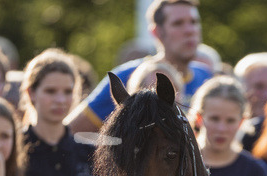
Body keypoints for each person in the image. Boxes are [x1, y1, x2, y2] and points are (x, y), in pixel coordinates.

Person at [67, 0, 210, 133]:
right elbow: (66, 133)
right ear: (157, 32)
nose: (190, 30)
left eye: (194, 22)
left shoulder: (207, 78)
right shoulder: (127, 76)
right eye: (178, 23)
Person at [191, 75, 267, 176]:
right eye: (214, 119)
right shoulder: (181, 161)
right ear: (199, 118)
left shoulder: (255, 170)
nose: (222, 129)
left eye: (230, 121)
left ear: (241, 122)